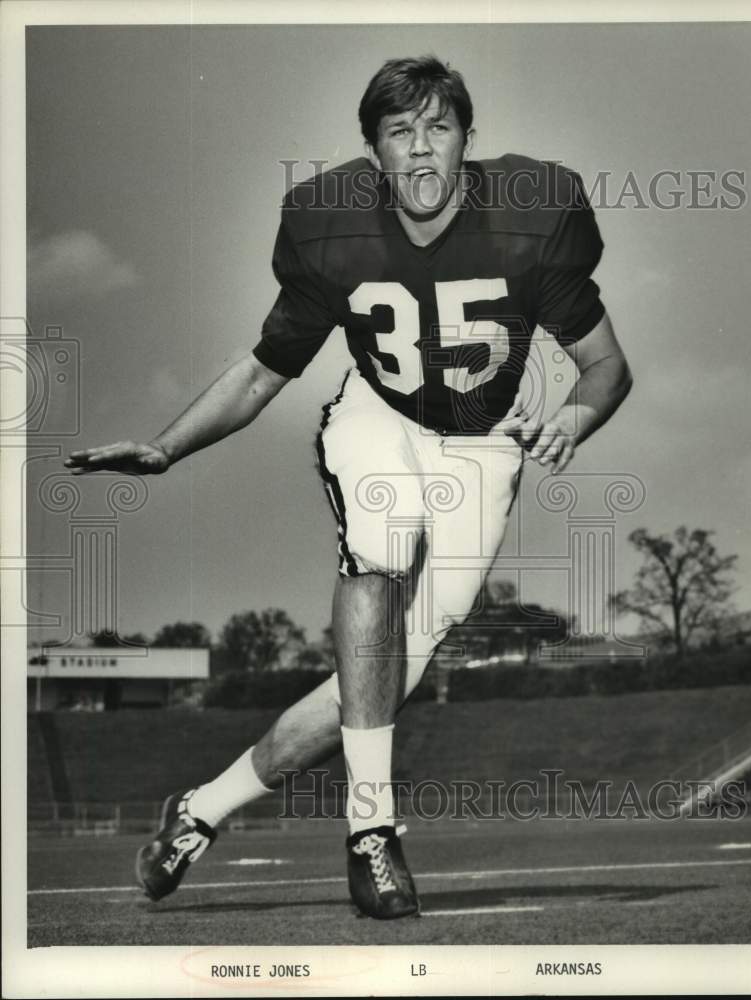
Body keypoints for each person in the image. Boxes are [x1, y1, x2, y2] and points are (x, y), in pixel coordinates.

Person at [65, 56, 632, 920]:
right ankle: (373, 832)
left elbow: (606, 368)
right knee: (378, 545)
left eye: (438, 127)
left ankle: (200, 810)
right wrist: (167, 447)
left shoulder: (534, 214)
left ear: (467, 140)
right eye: (399, 132)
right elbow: (263, 374)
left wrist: (576, 420)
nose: (420, 151)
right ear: (374, 151)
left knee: (373, 687)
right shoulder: (330, 225)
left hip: (486, 444)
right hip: (380, 413)